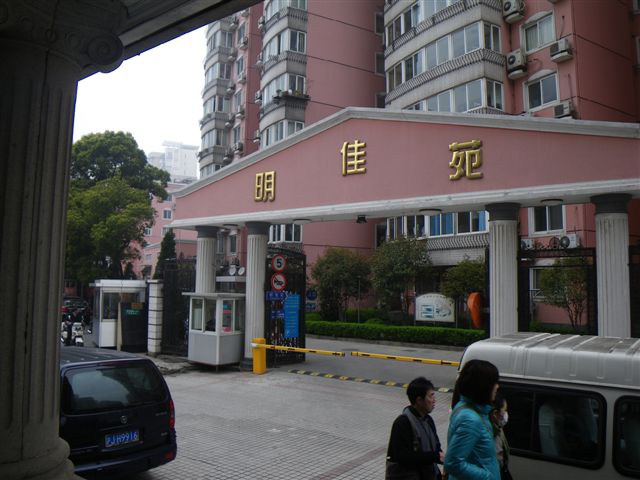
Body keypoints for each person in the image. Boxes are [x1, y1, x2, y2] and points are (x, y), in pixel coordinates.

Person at [444, 359, 500, 480]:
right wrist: (487, 477)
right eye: (494, 382)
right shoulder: (470, 420)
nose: (497, 386)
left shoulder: (470, 408)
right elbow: (453, 463)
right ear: (483, 387)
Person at [386, 377, 444, 480]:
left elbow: (436, 447)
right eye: (431, 396)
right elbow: (403, 457)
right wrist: (435, 456)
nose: (434, 400)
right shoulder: (402, 423)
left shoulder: (428, 420)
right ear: (419, 400)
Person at [490, 394, 512, 480]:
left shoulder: (498, 427)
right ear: (495, 413)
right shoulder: (489, 432)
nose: (506, 414)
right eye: (504, 411)